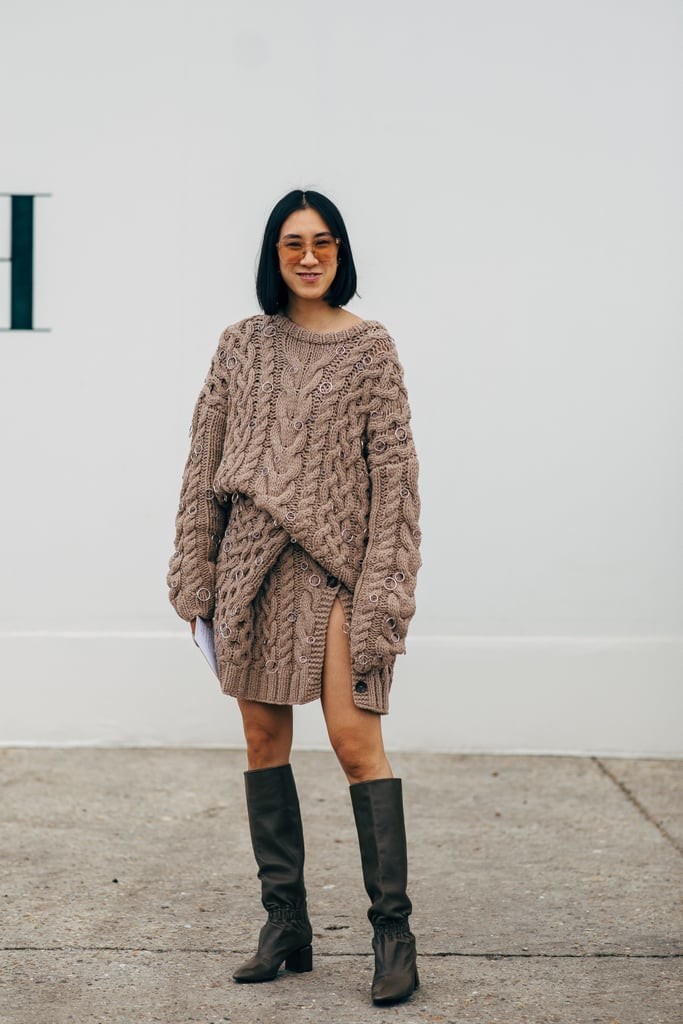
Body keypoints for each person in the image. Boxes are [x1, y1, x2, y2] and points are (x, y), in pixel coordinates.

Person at [167, 189, 421, 1006]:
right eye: (292, 244)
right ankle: (286, 924)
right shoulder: (240, 345)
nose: (308, 257)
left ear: (340, 253)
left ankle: (393, 935)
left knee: (354, 742)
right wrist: (196, 570)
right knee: (260, 738)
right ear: (273, 256)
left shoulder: (370, 349)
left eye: (322, 243)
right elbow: (203, 464)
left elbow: (395, 482)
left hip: (338, 574)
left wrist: (385, 588)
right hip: (251, 570)